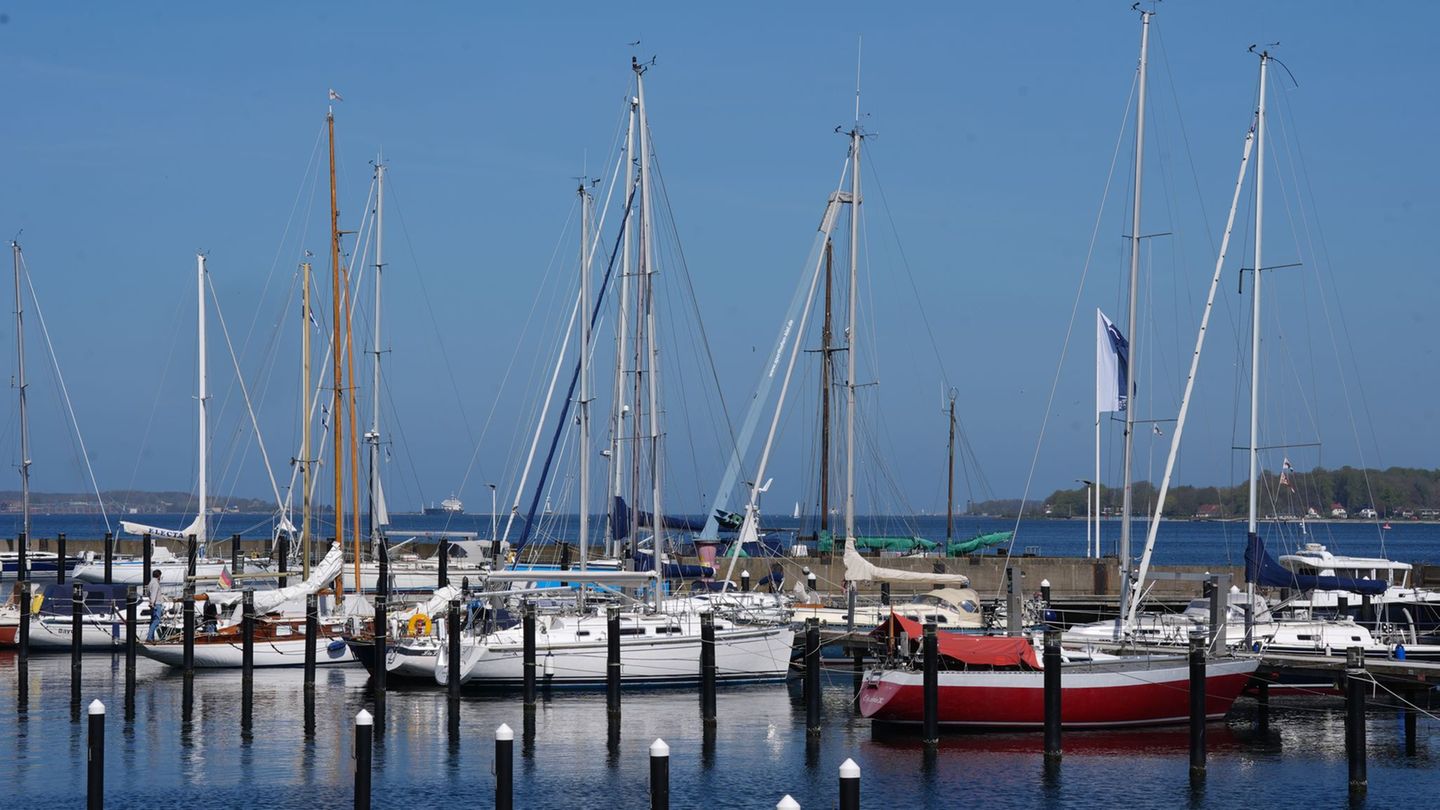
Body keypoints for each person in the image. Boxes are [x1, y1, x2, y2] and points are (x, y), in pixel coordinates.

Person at [146, 570, 165, 641]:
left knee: (153, 620)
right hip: (156, 604)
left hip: (153, 603)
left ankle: (152, 637)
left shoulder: (150, 582)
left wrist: (150, 600)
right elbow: (154, 593)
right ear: (159, 575)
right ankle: (149, 637)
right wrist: (152, 602)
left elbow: (148, 593)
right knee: (156, 620)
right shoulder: (156, 584)